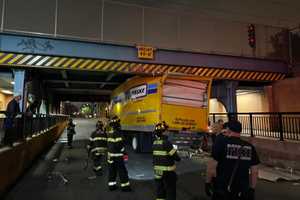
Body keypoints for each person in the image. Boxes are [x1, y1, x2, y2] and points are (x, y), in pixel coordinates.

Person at [205, 120, 260, 200]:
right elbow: (255, 171)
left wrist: (207, 182)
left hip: (222, 188)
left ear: (228, 129)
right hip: (242, 189)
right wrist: (252, 189)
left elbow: (211, 166)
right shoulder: (250, 147)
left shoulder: (221, 143)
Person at [153, 122, 181, 200]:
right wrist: (176, 153)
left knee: (160, 191)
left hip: (157, 171)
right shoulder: (167, 143)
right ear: (164, 132)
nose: (168, 132)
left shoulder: (155, 142)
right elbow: (176, 157)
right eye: (167, 130)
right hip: (168, 172)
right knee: (170, 191)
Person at [107, 116, 131, 192]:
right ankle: (125, 187)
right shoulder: (118, 133)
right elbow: (119, 145)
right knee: (122, 171)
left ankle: (112, 186)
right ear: (117, 124)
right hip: (118, 156)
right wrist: (124, 152)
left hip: (110, 156)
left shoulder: (110, 132)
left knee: (112, 171)